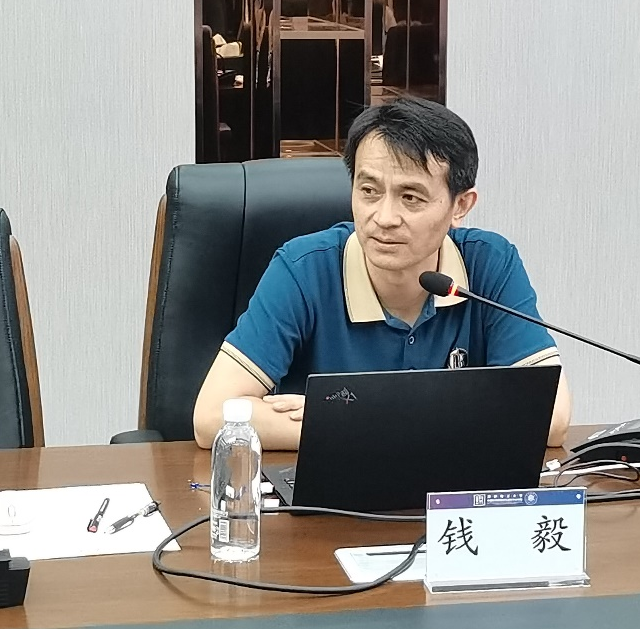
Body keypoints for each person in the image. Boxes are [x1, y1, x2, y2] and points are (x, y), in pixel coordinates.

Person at [192, 98, 572, 450]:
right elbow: (211, 417)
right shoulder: (303, 268)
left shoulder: (490, 264)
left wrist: (347, 419)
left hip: (446, 490)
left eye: (411, 197)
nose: (384, 218)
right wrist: (442, 419)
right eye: (369, 191)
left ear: (460, 206)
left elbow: (551, 416)